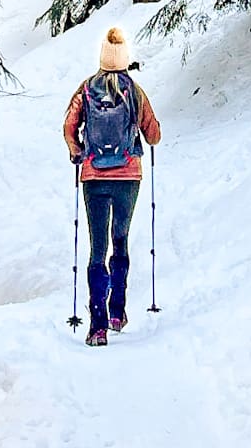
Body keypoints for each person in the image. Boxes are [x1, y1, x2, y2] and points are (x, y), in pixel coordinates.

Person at [63, 24, 162, 345]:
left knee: (97, 249)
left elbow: (68, 126)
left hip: (93, 177)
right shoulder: (134, 90)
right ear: (124, 59)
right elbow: (154, 135)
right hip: (128, 176)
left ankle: (97, 326)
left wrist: (77, 151)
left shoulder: (86, 88)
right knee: (120, 242)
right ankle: (118, 311)